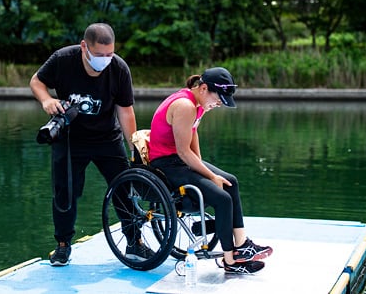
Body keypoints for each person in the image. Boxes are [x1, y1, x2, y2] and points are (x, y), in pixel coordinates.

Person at [30, 23, 147, 266]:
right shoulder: (63, 59)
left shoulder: (118, 68)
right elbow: (36, 81)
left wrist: (136, 148)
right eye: (99, 55)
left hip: (107, 137)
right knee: (65, 193)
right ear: (85, 47)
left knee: (124, 188)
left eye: (109, 54)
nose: (105, 60)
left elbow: (125, 111)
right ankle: (62, 245)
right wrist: (46, 100)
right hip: (70, 138)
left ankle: (134, 242)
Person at [149, 67, 273, 274]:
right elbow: (182, 150)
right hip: (166, 163)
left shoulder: (198, 104)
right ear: (204, 88)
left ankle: (241, 245)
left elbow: (192, 136)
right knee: (222, 198)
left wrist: (202, 165)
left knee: (230, 181)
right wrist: (209, 175)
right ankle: (230, 262)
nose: (218, 104)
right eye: (218, 99)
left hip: (181, 159)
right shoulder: (185, 105)